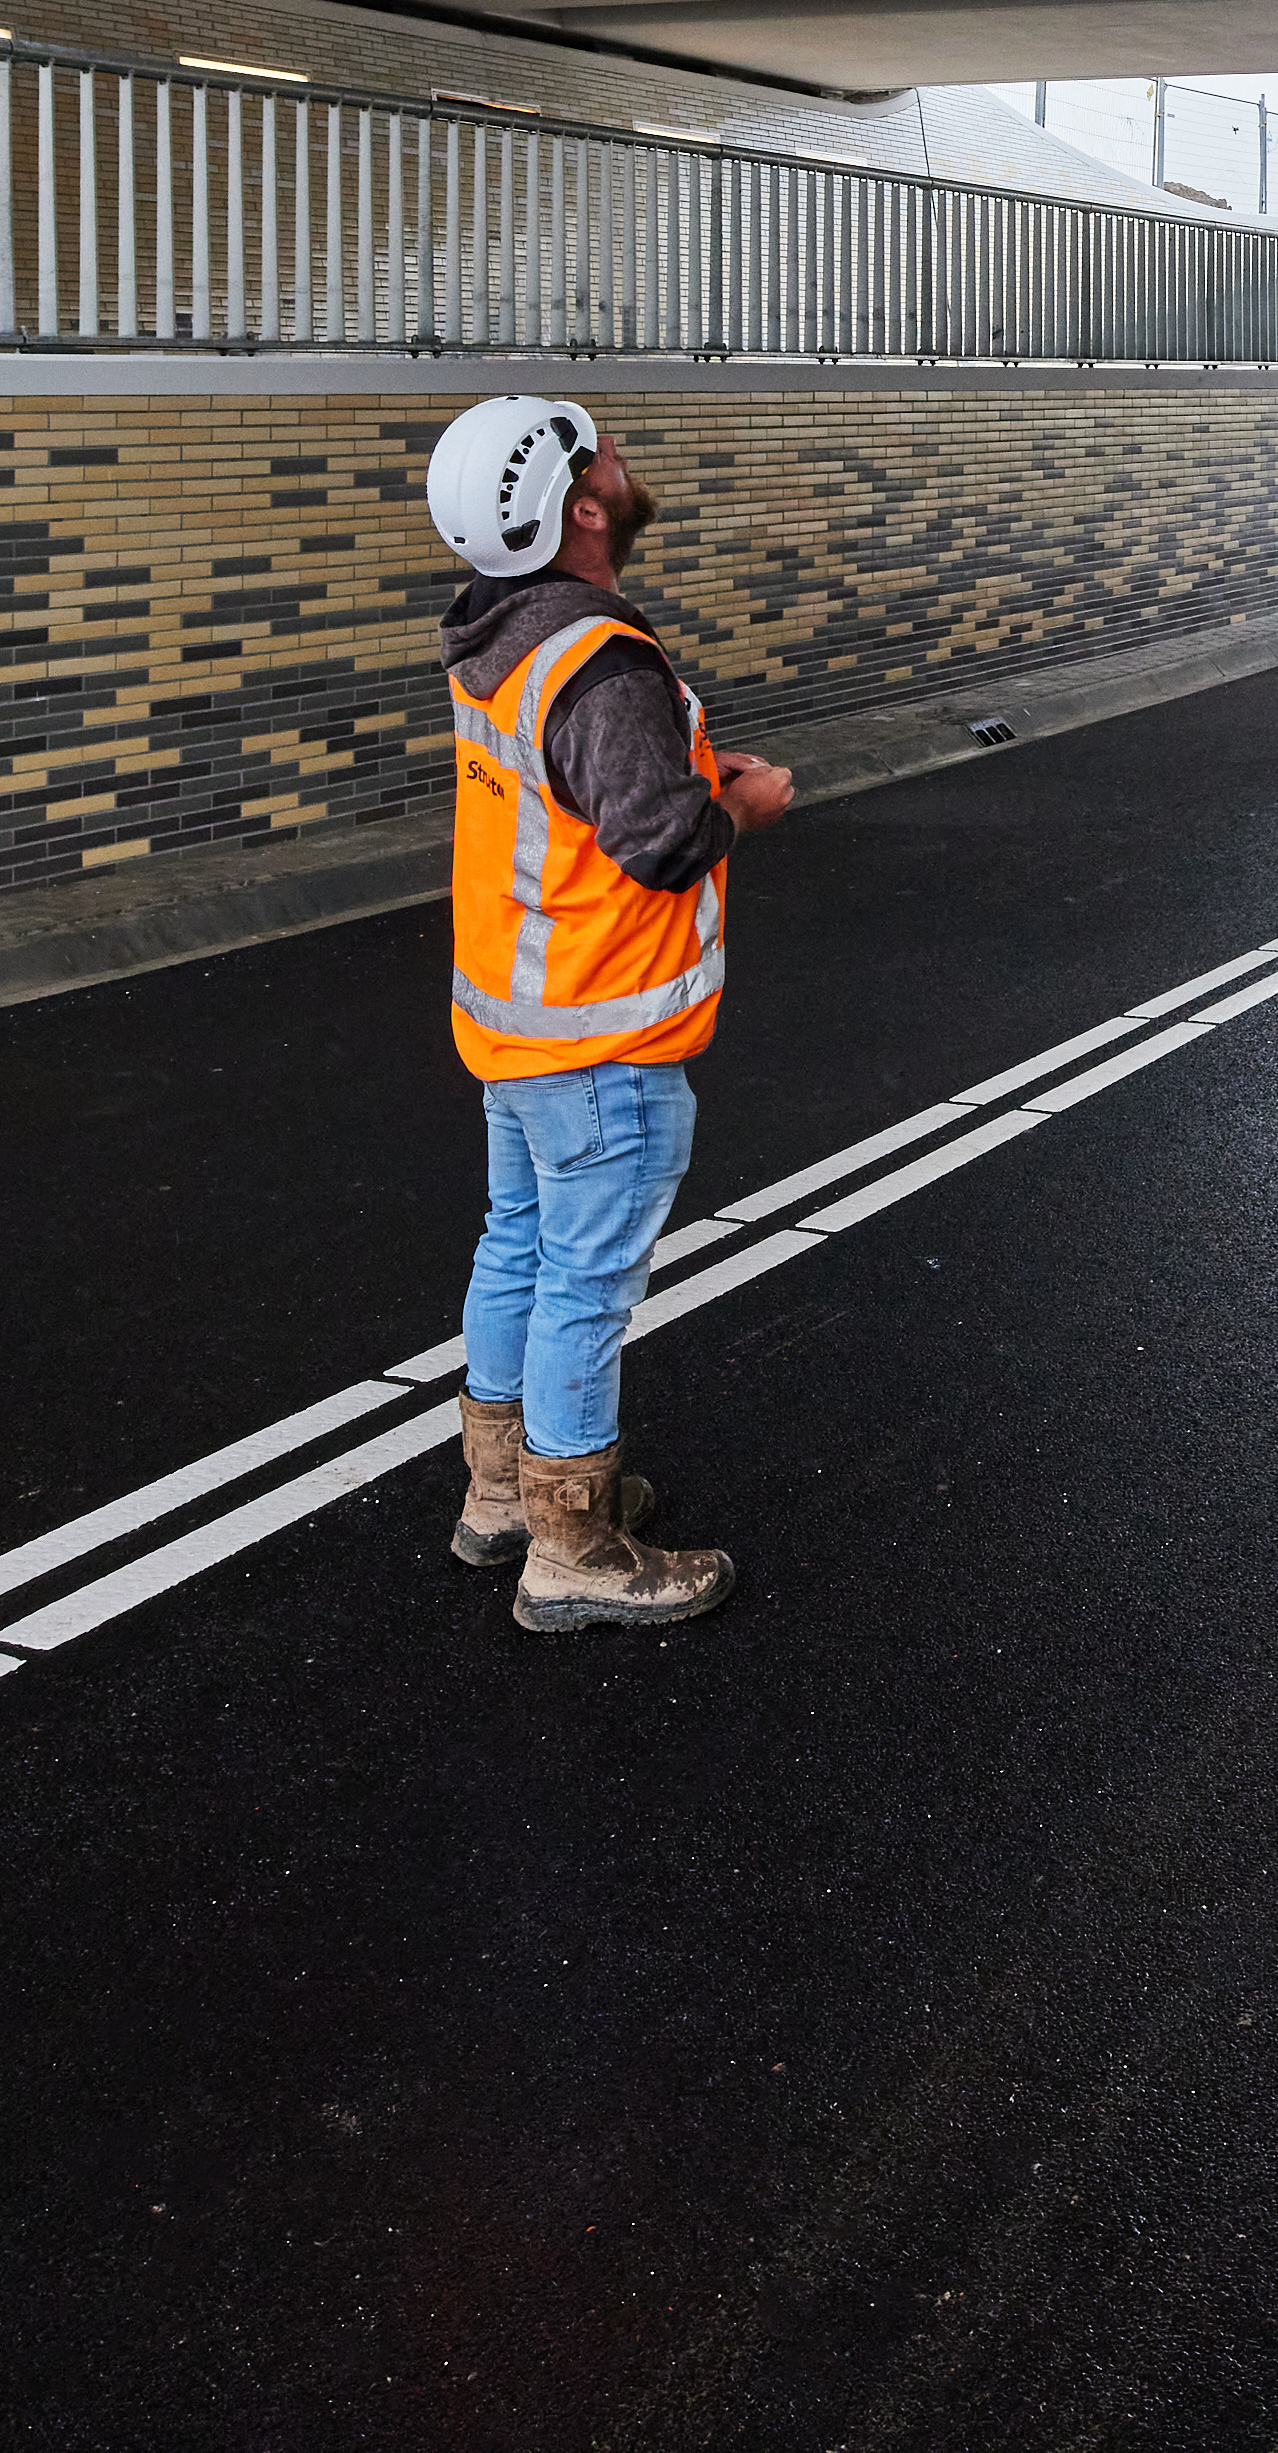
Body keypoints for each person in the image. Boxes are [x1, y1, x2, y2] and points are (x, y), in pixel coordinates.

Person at [421, 395, 791, 1631]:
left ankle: (498, 1494)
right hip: (601, 1038)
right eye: (607, 458)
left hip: (520, 1029)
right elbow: (657, 841)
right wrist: (744, 803)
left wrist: (684, 768)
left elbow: (574, 795)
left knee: (515, 1246)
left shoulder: (502, 634)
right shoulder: (597, 658)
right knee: (584, 1283)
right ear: (582, 508)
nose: (626, 462)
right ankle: (572, 1544)